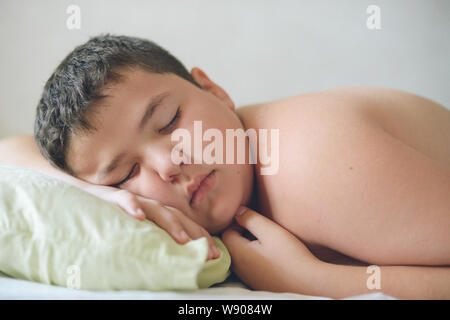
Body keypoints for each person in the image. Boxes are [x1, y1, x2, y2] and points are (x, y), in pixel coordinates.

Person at [1, 34, 449, 299]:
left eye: (169, 121)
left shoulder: (309, 161)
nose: (168, 164)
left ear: (215, 91)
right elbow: (10, 152)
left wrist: (318, 280)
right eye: (125, 172)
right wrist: (101, 193)